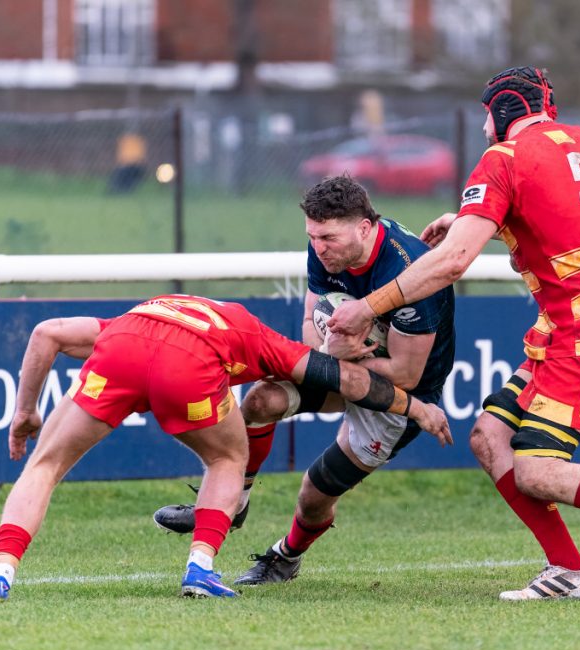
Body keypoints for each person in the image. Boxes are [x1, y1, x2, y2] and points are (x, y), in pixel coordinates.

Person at [331, 66, 580, 601]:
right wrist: (475, 217)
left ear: (500, 111)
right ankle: (568, 569)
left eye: (486, 115)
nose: (484, 127)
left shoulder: (503, 158)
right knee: (489, 437)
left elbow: (453, 262)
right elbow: (564, 216)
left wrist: (368, 306)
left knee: (535, 469)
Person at [0, 294, 451, 600]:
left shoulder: (140, 314)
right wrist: (416, 408)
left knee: (44, 465)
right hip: (187, 369)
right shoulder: (257, 335)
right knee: (228, 456)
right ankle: (201, 569)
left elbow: (46, 333)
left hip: (122, 353)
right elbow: (343, 378)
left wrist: (25, 413)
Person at [152, 176, 456, 588]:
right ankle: (233, 502)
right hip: (346, 363)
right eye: (312, 236)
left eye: (328, 237)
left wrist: (341, 356)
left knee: (314, 495)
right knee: (260, 402)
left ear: (364, 228)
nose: (318, 247)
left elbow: (406, 373)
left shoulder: (410, 272)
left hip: (401, 395)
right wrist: (333, 352)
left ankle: (286, 556)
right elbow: (311, 331)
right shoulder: (326, 252)